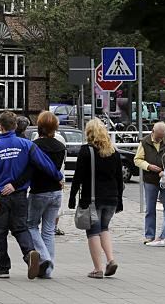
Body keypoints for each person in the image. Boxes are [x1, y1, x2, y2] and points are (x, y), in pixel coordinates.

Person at [0, 110, 62, 281]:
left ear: (0, 126)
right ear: (15, 126)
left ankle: (2, 267)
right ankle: (29, 253)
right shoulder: (26, 145)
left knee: (0, 232)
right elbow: (43, 163)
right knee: (20, 228)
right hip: (20, 194)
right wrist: (58, 176)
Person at [68, 119, 124, 279]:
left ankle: (98, 268)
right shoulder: (114, 151)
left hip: (92, 199)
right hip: (112, 198)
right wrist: (120, 200)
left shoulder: (86, 151)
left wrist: (72, 197)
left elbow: (78, 177)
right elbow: (119, 178)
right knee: (104, 228)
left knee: (93, 232)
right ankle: (110, 259)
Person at [20, 111, 66, 279]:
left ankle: (45, 258)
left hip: (39, 191)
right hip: (56, 191)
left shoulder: (34, 145)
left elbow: (30, 169)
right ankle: (47, 270)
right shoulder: (61, 146)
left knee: (31, 225)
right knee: (48, 230)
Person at [134, 121, 165, 243]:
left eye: (162, 136)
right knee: (150, 209)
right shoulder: (145, 142)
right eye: (158, 136)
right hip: (150, 179)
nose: (160, 139)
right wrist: (148, 166)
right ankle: (149, 235)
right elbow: (137, 160)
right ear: (153, 131)